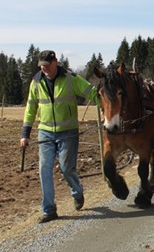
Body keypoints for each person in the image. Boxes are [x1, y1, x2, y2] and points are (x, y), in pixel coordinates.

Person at [20, 50, 100, 223]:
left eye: (47, 65)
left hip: (68, 132)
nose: (44, 69)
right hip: (45, 132)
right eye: (41, 66)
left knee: (66, 168)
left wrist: (107, 107)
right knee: (44, 169)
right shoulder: (36, 82)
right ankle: (49, 210)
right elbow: (30, 108)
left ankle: (77, 192)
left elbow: (92, 92)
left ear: (55, 62)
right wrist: (25, 134)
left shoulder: (71, 79)